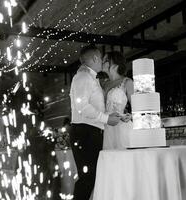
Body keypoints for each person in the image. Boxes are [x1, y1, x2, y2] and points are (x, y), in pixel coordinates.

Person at [69, 45, 121, 200]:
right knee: (87, 178)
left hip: (91, 132)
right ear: (95, 58)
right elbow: (81, 106)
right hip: (85, 132)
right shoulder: (83, 77)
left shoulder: (90, 78)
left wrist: (108, 115)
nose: (102, 62)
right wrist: (106, 119)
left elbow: (92, 106)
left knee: (92, 177)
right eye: (101, 58)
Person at [102, 51, 134, 149]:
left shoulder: (127, 82)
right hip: (107, 128)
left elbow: (138, 108)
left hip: (122, 127)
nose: (102, 63)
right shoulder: (103, 84)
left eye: (105, 60)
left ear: (115, 64)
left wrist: (130, 115)